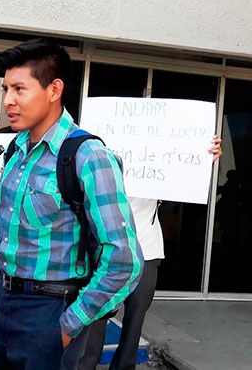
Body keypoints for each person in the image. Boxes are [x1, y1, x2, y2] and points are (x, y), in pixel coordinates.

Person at [0, 39, 144, 370]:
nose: (7, 101)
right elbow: (5, 236)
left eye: (19, 89)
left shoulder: (89, 157)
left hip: (50, 309)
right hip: (0, 303)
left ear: (54, 89)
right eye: (6, 89)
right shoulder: (15, 151)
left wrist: (68, 326)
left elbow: (124, 261)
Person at [78, 137, 223, 370]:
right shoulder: (101, 164)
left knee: (135, 321)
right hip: (106, 253)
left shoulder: (160, 169)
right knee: (96, 318)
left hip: (147, 251)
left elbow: (188, 179)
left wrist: (206, 160)